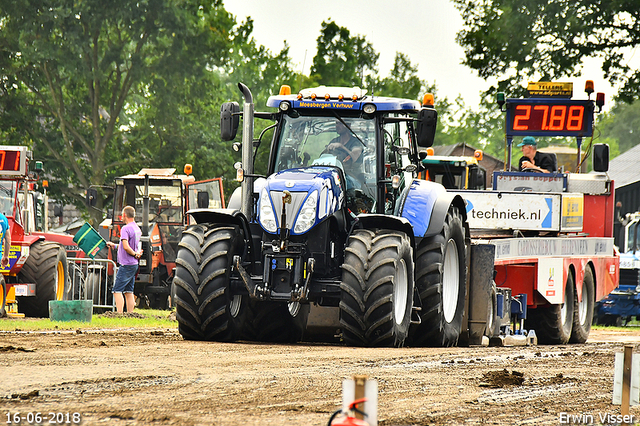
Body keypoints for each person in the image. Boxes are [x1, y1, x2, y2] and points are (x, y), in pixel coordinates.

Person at [107, 205, 142, 313]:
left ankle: (119, 314)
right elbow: (126, 245)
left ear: (124, 215)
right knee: (128, 291)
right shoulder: (137, 228)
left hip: (126, 264)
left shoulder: (125, 229)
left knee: (117, 290)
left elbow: (126, 247)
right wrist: (114, 245)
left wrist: (135, 254)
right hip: (133, 264)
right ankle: (130, 314)